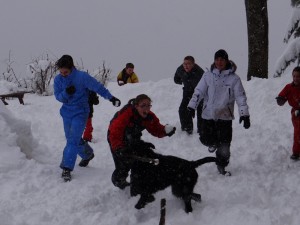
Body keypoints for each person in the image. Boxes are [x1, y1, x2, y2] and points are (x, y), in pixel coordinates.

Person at [54, 55, 121, 182]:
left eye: (66, 72)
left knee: (72, 140)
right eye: (61, 72)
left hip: (81, 112)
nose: (63, 74)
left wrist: (111, 98)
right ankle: (87, 154)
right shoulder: (58, 80)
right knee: (71, 138)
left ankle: (66, 168)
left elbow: (98, 87)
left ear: (72, 68)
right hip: (66, 112)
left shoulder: (82, 77)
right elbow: (58, 97)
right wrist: (66, 93)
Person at [187, 49, 250, 176]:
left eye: (222, 59)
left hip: (224, 116)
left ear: (226, 61)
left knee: (225, 146)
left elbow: (240, 97)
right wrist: (191, 106)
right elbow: (199, 91)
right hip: (208, 115)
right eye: (217, 59)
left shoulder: (234, 79)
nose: (219, 62)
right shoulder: (207, 75)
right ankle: (213, 143)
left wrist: (244, 114)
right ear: (214, 61)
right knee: (204, 138)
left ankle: (222, 165)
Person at [107, 94, 176, 189]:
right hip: (115, 137)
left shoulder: (149, 116)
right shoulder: (127, 114)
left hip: (133, 137)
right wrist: (119, 148)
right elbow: (115, 132)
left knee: (139, 159)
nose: (147, 108)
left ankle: (137, 182)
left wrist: (165, 131)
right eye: (143, 105)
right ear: (136, 106)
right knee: (123, 163)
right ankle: (119, 181)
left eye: (149, 105)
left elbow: (155, 128)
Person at [174, 56, 204, 135]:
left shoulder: (200, 72)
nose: (186, 66)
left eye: (188, 64)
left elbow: (205, 85)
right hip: (187, 91)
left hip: (200, 93)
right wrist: (182, 82)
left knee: (200, 111)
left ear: (193, 64)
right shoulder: (180, 69)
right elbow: (176, 79)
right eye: (184, 64)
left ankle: (201, 130)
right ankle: (187, 128)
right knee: (183, 109)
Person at [276, 66, 300, 160]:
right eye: (294, 76)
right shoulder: (289, 87)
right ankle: (296, 152)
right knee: (298, 131)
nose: (295, 78)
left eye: (298, 76)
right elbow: (281, 96)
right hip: (296, 112)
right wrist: (280, 100)